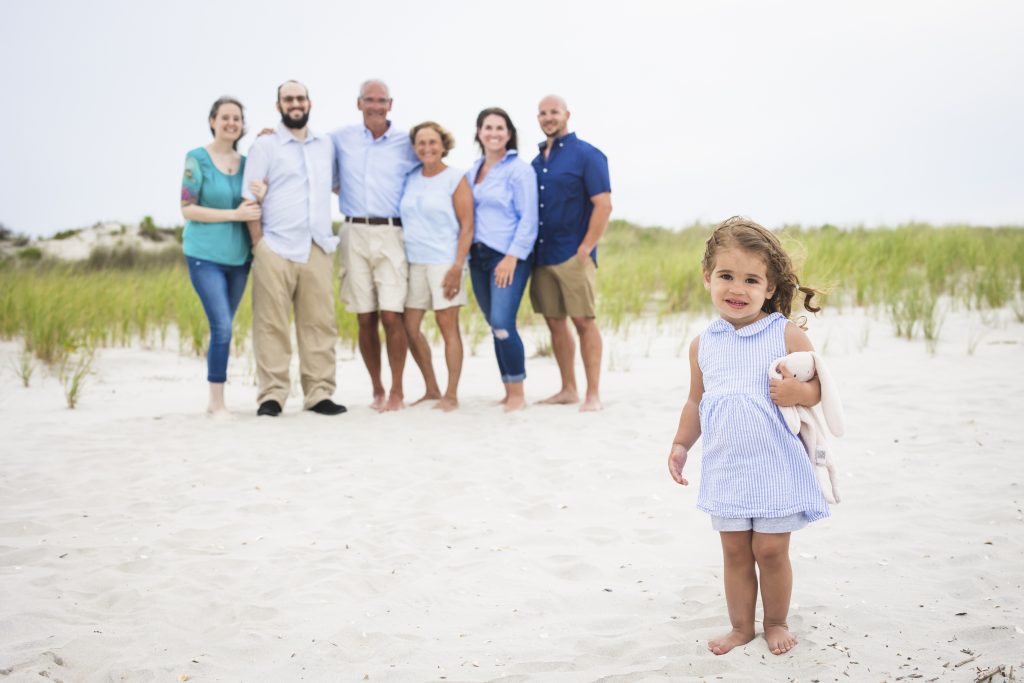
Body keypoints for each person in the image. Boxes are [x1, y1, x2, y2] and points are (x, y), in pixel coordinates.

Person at [666, 216, 830, 656]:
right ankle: (741, 627)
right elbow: (696, 402)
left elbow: (821, 388)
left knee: (771, 551)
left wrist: (797, 390)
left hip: (776, 464)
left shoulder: (785, 333)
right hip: (727, 467)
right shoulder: (704, 343)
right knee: (736, 552)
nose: (737, 289)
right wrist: (682, 444)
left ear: (771, 288)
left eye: (751, 279)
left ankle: (775, 621)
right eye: (726, 276)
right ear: (707, 277)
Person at [240, 80, 346, 417]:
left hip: (317, 244)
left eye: (300, 98)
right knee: (270, 324)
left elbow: (336, 185)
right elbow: (249, 197)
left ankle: (319, 394)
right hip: (276, 245)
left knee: (319, 323)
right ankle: (272, 395)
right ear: (278, 106)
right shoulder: (266, 146)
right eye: (288, 99)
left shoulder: (325, 145)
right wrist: (259, 245)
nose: (295, 104)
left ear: (310, 103)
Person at [331, 79, 419, 412]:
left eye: (382, 100)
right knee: (365, 317)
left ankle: (397, 391)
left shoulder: (405, 142)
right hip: (354, 231)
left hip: (392, 233)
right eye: (370, 100)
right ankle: (377, 389)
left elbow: (430, 166)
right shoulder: (340, 139)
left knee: (392, 316)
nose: (376, 106)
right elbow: (309, 154)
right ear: (359, 103)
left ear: (391, 104)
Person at [180, 96, 261, 416]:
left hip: (239, 260)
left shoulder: (246, 164)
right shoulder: (196, 159)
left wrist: (261, 198)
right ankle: (216, 403)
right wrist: (233, 215)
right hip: (204, 255)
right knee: (223, 326)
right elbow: (187, 209)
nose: (231, 123)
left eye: (237, 118)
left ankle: (219, 400)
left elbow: (252, 206)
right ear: (213, 121)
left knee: (225, 328)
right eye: (225, 117)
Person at [530, 95, 612, 412]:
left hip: (573, 254)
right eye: (543, 113)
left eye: (554, 112)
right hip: (542, 255)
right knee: (554, 322)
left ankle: (593, 394)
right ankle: (568, 388)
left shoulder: (587, 155)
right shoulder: (537, 161)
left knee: (583, 320)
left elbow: (603, 204)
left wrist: (586, 248)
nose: (548, 117)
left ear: (567, 114)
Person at [466, 108, 538, 412]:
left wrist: (511, 257)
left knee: (502, 322)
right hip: (477, 256)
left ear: (509, 134)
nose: (493, 133)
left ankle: (518, 394)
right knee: (493, 325)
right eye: (487, 127)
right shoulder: (473, 170)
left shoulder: (519, 170)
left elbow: (529, 219)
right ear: (479, 132)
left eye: (500, 127)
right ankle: (508, 389)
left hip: (507, 256)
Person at [399, 121, 474, 411]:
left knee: (447, 327)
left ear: (443, 145)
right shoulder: (411, 177)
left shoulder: (456, 178)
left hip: (445, 261)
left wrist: (457, 266)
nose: (427, 148)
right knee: (410, 327)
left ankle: (451, 395)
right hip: (415, 262)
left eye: (432, 142)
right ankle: (431, 388)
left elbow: (467, 226)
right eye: (421, 143)